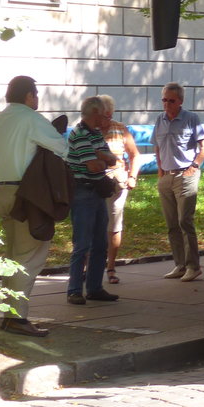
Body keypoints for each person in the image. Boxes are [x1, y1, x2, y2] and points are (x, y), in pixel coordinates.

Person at [0, 76, 70, 336]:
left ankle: (6, 313)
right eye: (36, 94)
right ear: (28, 96)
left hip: (2, 190)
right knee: (29, 257)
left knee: (13, 256)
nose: (37, 99)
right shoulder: (31, 118)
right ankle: (17, 319)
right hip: (26, 195)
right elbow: (62, 149)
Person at [65, 95, 119, 306]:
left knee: (100, 243)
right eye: (103, 113)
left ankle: (95, 288)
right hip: (83, 192)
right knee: (82, 244)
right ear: (95, 113)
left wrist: (100, 156)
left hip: (97, 192)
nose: (106, 117)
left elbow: (112, 158)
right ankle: (74, 290)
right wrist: (102, 159)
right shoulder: (79, 134)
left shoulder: (95, 134)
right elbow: (93, 166)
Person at [153, 82, 204, 282]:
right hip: (166, 176)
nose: (166, 104)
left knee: (185, 221)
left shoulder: (191, 118)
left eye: (171, 100)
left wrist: (194, 166)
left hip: (185, 174)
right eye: (164, 100)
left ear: (180, 101)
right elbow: (157, 147)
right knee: (171, 224)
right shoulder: (159, 120)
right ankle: (180, 264)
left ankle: (193, 266)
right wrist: (160, 170)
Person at [99, 95, 140, 284]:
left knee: (114, 226)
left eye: (108, 116)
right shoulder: (88, 129)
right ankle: (87, 266)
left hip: (117, 183)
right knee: (91, 225)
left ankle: (111, 267)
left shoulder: (120, 129)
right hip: (94, 184)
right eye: (102, 116)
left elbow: (134, 155)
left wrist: (132, 177)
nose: (105, 120)